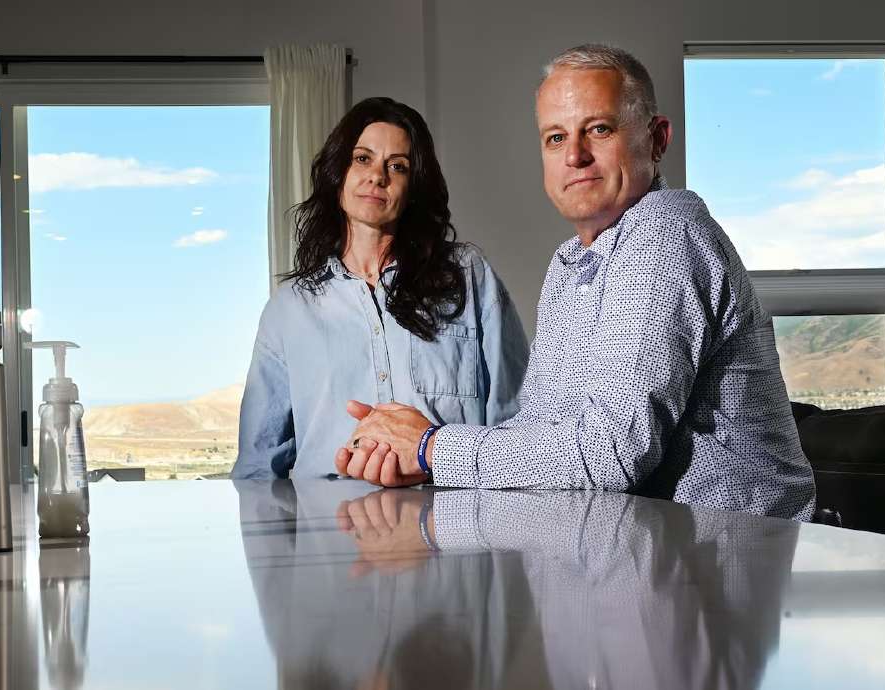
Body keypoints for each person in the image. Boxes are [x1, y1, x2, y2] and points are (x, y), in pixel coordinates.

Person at [336, 45, 816, 521]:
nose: (575, 156)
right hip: (642, 545)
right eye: (555, 138)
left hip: (743, 551)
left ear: (657, 139)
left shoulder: (664, 232)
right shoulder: (570, 265)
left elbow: (610, 454)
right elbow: (538, 430)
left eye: (599, 129)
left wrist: (429, 447)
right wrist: (412, 455)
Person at [232, 97, 529, 479]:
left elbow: (518, 419)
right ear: (338, 172)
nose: (377, 176)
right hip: (328, 515)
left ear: (414, 187)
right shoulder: (289, 308)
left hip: (451, 515)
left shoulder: (467, 276)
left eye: (397, 166)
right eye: (362, 159)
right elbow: (258, 467)